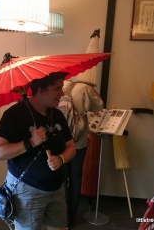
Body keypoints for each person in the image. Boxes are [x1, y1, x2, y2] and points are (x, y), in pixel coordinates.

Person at [0, 72, 76, 230]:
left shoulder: (56, 114)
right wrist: (30, 142)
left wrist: (60, 159)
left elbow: (71, 147)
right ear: (41, 91)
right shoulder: (14, 115)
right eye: (57, 89)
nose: (62, 93)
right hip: (27, 191)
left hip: (57, 189)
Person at [63, 80, 103, 228]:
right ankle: (71, 218)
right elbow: (99, 106)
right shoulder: (85, 88)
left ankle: (61, 215)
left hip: (61, 142)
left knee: (62, 180)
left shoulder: (61, 85)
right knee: (75, 179)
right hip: (78, 142)